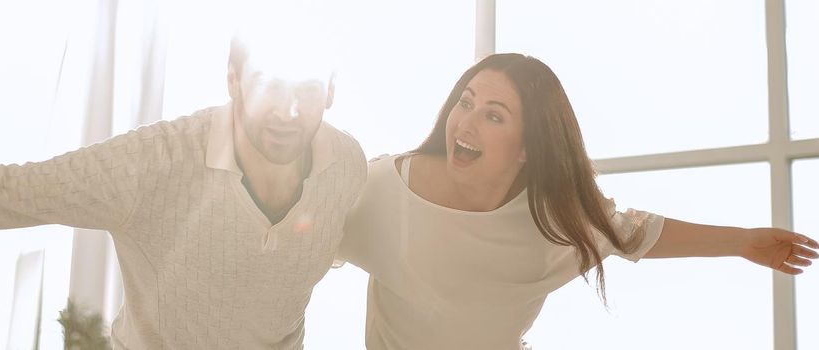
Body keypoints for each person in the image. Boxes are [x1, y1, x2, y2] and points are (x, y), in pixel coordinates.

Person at [0, 22, 366, 350]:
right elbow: (2, 192)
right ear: (233, 78)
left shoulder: (346, 165)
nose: (290, 111)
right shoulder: (151, 166)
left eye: (309, 88)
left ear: (334, 90)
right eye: (271, 82)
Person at [335, 53, 819, 350]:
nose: (465, 123)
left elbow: (635, 233)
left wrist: (743, 242)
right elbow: (303, 231)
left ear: (528, 148)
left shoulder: (552, 221)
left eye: (494, 116)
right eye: (465, 102)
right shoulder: (382, 191)